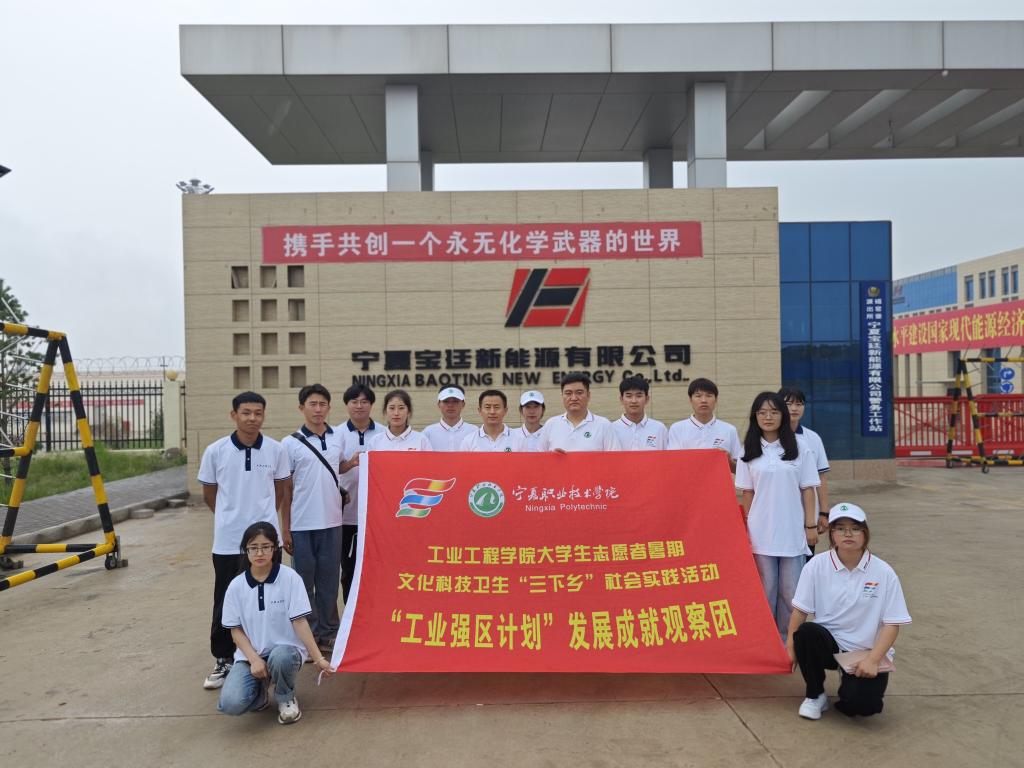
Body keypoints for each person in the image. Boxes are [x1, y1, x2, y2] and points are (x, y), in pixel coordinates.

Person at [197, 391, 290, 690]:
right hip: (228, 542)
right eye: (246, 412)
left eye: (258, 413)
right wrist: (230, 518)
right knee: (226, 599)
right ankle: (224, 657)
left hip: (267, 542)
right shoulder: (216, 451)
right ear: (233, 415)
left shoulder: (276, 450)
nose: (252, 418)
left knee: (270, 597)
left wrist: (265, 524)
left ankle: (269, 654)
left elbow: (279, 490)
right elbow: (209, 494)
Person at [787, 502, 912, 720]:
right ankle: (815, 694)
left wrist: (873, 660)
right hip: (829, 644)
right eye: (840, 528)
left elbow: (892, 623)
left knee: (863, 706)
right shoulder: (816, 566)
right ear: (832, 534)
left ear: (865, 533)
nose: (848, 534)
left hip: (864, 651)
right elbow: (800, 611)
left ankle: (850, 687)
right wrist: (790, 646)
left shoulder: (884, 572)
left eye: (855, 528)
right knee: (806, 633)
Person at [218, 522, 332, 725]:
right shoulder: (236, 586)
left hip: (286, 652)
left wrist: (318, 659)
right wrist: (254, 659)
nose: (259, 553)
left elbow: (300, 622)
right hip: (251, 656)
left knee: (281, 657)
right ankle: (260, 694)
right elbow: (235, 631)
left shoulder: (290, 578)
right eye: (253, 548)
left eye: (265, 547)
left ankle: (285, 697)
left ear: (275, 549)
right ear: (245, 550)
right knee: (231, 703)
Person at [735, 391, 820, 642]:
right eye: (762, 412)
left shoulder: (800, 447)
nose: (768, 417)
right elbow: (748, 493)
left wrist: (810, 526)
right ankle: (765, 641)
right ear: (755, 417)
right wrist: (747, 528)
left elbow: (808, 490)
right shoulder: (748, 450)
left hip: (792, 532)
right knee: (766, 589)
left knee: (791, 592)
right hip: (761, 533)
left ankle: (788, 641)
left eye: (773, 412)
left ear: (782, 415)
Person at [280, 384, 345, 654]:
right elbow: (286, 490)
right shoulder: (289, 443)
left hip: (333, 522)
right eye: (312, 404)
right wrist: (285, 529)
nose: (318, 409)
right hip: (302, 525)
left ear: (329, 407)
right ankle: (308, 636)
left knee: (329, 581)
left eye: (323, 404)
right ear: (301, 408)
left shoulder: (338, 437)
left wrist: (353, 463)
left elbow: (336, 467)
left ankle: (329, 632)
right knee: (303, 584)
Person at [336, 383, 377, 603]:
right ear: (346, 405)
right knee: (349, 569)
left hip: (377, 517)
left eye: (364, 402)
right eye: (354, 401)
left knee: (376, 568)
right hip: (347, 516)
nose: (359, 406)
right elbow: (331, 469)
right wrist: (350, 464)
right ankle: (351, 614)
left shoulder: (384, 433)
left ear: (371, 405)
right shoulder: (335, 434)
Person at [779, 387, 830, 545]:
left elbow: (821, 477)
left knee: (807, 557)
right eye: (788, 404)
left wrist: (824, 512)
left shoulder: (813, 438)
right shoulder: (769, 438)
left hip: (807, 516)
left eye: (799, 404)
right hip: (778, 514)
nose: (794, 408)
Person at [667, 378, 742, 471]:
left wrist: (729, 461)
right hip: (687, 480)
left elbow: (740, 469)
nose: (703, 400)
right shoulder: (677, 428)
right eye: (698, 396)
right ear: (690, 399)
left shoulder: (729, 429)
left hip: (718, 480)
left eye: (709, 395)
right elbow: (672, 463)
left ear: (716, 399)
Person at [538, 373, 621, 452]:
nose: (574, 398)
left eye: (579, 393)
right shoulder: (551, 425)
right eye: (568, 393)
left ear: (588, 395)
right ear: (562, 396)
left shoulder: (603, 425)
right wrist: (552, 457)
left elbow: (615, 458)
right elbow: (539, 458)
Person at [611, 376, 667, 450]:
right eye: (629, 396)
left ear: (647, 399)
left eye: (639, 396)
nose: (634, 401)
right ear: (621, 399)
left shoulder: (659, 428)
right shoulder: (611, 429)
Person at [367, 389, 432, 451]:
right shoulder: (375, 441)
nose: (396, 413)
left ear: (408, 411)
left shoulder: (421, 440)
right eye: (392, 408)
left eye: (401, 408)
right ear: (385, 411)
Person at [422, 385, 475, 451]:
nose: (450, 405)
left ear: (463, 404)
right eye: (446, 401)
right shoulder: (428, 433)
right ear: (439, 404)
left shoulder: (474, 432)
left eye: (455, 401)